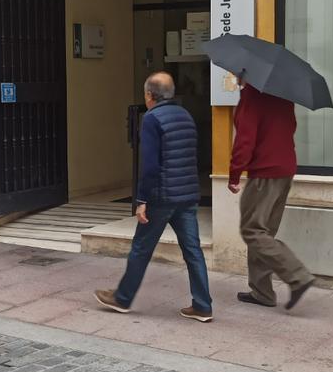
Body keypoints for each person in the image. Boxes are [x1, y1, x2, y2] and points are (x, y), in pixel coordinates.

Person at [94, 72, 213, 322]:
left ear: (149, 95)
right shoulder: (186, 116)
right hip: (187, 195)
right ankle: (203, 305)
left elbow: (149, 166)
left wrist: (141, 200)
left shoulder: (152, 118)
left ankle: (123, 298)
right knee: (193, 250)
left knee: (141, 248)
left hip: (161, 196)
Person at [229, 81, 314, 309]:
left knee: (253, 231)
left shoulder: (251, 96)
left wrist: (235, 174)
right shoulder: (283, 94)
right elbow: (291, 127)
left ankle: (298, 276)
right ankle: (262, 292)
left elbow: (244, 140)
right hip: (285, 169)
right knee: (264, 233)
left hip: (264, 173)